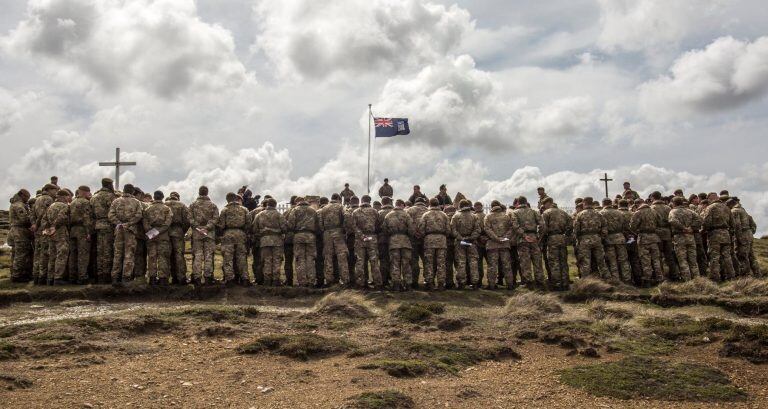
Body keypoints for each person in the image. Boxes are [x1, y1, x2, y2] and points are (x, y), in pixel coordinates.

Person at [108, 184, 144, 286]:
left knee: (117, 253)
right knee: (129, 253)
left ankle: (115, 278)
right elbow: (139, 215)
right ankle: (126, 278)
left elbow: (110, 215)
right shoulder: (136, 202)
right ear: (132, 192)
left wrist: (119, 223)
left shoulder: (116, 201)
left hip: (119, 229)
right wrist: (128, 224)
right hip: (130, 230)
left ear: (123, 190)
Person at [702, 193, 736, 281]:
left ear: (710, 198)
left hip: (714, 234)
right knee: (727, 256)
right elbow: (733, 224)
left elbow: (706, 222)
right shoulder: (727, 208)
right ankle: (731, 276)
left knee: (714, 256)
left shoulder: (710, 208)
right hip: (726, 233)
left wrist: (704, 230)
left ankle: (715, 277)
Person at [573, 197, 609, 280]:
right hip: (597, 239)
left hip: (584, 240)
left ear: (584, 203)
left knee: (586, 262)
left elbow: (576, 230)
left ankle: (586, 282)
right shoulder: (599, 213)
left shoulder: (580, 214)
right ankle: (607, 280)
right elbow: (604, 227)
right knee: (601, 261)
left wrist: (578, 239)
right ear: (592, 203)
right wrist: (601, 237)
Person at [253, 198, 287, 286]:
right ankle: (276, 280)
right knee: (276, 260)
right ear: (275, 205)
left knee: (266, 260)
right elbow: (284, 228)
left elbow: (254, 228)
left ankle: (267, 280)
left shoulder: (259, 215)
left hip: (264, 240)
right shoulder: (279, 215)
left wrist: (261, 235)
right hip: (277, 240)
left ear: (267, 204)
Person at [418, 198, 450, 290]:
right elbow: (448, 230)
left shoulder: (425, 215)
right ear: (438, 204)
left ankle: (430, 283)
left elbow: (421, 229)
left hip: (429, 240)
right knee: (441, 263)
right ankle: (441, 283)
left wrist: (425, 236)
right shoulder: (444, 215)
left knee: (429, 263)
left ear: (430, 204)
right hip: (441, 240)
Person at [218, 192, 249, 286]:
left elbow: (222, 225)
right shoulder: (244, 209)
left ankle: (229, 279)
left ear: (227, 199)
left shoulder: (224, 210)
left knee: (228, 258)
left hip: (228, 234)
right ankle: (245, 279)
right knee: (242, 258)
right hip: (241, 234)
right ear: (236, 198)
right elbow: (248, 224)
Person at [630, 198, 663, 286]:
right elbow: (660, 223)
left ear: (637, 204)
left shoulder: (638, 213)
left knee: (645, 260)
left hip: (643, 238)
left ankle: (647, 280)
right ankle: (660, 278)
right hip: (654, 237)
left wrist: (638, 231)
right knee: (656, 260)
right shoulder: (654, 211)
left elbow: (632, 227)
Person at [189, 186, 219, 285]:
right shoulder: (213, 205)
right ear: (207, 193)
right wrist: (207, 227)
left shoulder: (193, 205)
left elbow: (190, 218)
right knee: (208, 256)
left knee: (197, 256)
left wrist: (198, 227)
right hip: (209, 233)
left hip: (197, 233)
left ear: (199, 192)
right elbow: (215, 219)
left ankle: (197, 278)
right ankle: (208, 278)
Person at [513, 196, 546, 288]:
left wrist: (524, 235)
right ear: (526, 202)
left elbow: (515, 226)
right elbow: (542, 225)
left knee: (525, 261)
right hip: (534, 238)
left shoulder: (515, 213)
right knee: (537, 261)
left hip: (523, 239)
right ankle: (540, 282)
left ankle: (529, 282)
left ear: (518, 203)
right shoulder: (534, 211)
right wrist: (538, 236)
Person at [383, 199, 415, 291]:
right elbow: (411, 229)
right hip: (405, 241)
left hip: (393, 241)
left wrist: (391, 234)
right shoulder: (406, 215)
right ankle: (408, 285)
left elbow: (384, 229)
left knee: (394, 263)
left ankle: (396, 285)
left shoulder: (388, 215)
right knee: (406, 264)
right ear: (401, 205)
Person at [318, 193, 349, 286]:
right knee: (341, 257)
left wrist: (324, 230)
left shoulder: (324, 208)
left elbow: (320, 221)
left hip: (327, 234)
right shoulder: (340, 206)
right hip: (338, 233)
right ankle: (345, 280)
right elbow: (347, 216)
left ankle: (329, 280)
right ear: (339, 199)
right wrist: (345, 228)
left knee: (328, 257)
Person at [541, 198, 572, 290]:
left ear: (548, 203)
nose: (544, 206)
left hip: (552, 238)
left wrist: (541, 239)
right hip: (562, 238)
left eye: (545, 204)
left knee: (554, 262)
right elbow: (571, 224)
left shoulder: (546, 213)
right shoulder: (563, 212)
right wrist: (566, 234)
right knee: (563, 261)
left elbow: (543, 228)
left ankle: (557, 284)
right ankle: (565, 283)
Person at [483, 200, 515, 290]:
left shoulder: (488, 217)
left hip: (493, 244)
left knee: (492, 265)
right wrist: (504, 237)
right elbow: (511, 228)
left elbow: (487, 229)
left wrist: (496, 238)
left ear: (491, 206)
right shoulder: (506, 216)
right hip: (504, 244)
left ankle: (492, 285)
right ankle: (510, 284)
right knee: (507, 265)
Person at [287, 196, 318, 287]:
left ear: (297, 202)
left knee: (300, 259)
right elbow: (317, 224)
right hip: (311, 236)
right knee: (310, 259)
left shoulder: (295, 210)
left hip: (299, 236)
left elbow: (291, 225)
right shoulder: (313, 210)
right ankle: (311, 281)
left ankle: (302, 281)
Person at [143, 191, 173, 285]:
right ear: (162, 197)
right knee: (162, 257)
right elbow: (167, 224)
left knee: (152, 257)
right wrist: (159, 231)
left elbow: (145, 223)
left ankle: (152, 279)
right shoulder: (167, 209)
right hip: (163, 235)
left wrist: (153, 231)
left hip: (151, 235)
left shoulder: (147, 209)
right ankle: (163, 279)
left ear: (154, 197)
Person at [351, 195, 381, 289]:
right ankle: (378, 283)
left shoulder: (355, 212)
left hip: (360, 238)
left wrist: (360, 235)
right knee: (374, 260)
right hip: (371, 237)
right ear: (369, 201)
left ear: (362, 200)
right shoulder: (375, 211)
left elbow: (353, 226)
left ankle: (360, 283)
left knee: (360, 261)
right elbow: (378, 225)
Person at [451, 199, 481, 289]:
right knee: (473, 262)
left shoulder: (456, 216)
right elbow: (478, 230)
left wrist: (461, 238)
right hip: (471, 242)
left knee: (461, 262)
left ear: (460, 206)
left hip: (460, 242)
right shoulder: (474, 216)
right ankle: (475, 282)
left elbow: (453, 230)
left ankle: (461, 283)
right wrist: (471, 238)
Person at [91, 178, 117, 283]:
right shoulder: (110, 197)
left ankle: (99, 274)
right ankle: (106, 275)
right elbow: (113, 211)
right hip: (108, 225)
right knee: (107, 251)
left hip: (98, 225)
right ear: (110, 185)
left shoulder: (94, 197)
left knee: (99, 251)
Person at [669, 196, 701, 281]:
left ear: (674, 203)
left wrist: (683, 228)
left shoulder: (673, 212)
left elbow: (672, 221)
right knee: (693, 260)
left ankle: (687, 280)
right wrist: (691, 228)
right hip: (690, 237)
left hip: (679, 237)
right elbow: (699, 220)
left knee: (683, 260)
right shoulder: (690, 211)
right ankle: (697, 280)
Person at [43, 190, 72, 285]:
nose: (68, 198)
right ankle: (58, 278)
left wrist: (48, 229)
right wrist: (55, 227)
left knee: (52, 255)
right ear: (63, 197)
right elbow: (61, 218)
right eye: (67, 196)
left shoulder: (51, 206)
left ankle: (50, 278)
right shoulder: (64, 206)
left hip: (51, 233)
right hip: (60, 232)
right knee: (62, 254)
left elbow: (44, 220)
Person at [600, 198, 631, 282]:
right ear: (611, 203)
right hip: (620, 238)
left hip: (608, 239)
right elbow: (625, 227)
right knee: (623, 260)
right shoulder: (619, 213)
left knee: (612, 260)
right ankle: (627, 279)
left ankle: (616, 280)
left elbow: (601, 228)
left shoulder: (601, 213)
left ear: (603, 204)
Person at [31, 183, 57, 284]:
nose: (56, 192)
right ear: (49, 190)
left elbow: (32, 214)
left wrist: (34, 224)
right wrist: (37, 224)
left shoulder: (37, 199)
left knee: (37, 253)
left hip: (38, 230)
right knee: (45, 253)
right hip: (45, 229)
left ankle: (36, 276)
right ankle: (43, 277)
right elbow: (43, 214)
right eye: (54, 190)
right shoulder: (48, 199)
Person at [650, 191, 679, 280]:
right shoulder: (668, 208)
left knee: (657, 256)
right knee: (669, 255)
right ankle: (674, 275)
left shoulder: (651, 208)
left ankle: (661, 276)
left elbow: (651, 222)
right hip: (667, 233)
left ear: (652, 198)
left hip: (657, 233)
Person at [68, 186, 93, 284]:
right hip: (82, 229)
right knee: (83, 254)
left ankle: (72, 277)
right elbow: (86, 218)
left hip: (73, 230)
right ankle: (82, 277)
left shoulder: (73, 202)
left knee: (73, 254)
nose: (89, 194)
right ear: (84, 192)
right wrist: (88, 232)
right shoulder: (85, 202)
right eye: (88, 192)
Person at [164, 192, 190, 284]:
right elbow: (187, 220)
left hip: (165, 232)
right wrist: (182, 231)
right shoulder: (182, 205)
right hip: (178, 231)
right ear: (178, 198)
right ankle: (181, 278)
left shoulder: (164, 204)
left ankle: (167, 278)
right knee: (179, 255)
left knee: (167, 255)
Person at [8, 189, 33, 283]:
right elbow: (24, 219)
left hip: (14, 231)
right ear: (22, 195)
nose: (27, 199)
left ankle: (14, 273)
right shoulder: (19, 205)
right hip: (20, 232)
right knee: (21, 254)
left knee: (15, 254)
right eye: (27, 197)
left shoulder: (13, 204)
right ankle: (17, 276)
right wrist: (32, 221)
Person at [406, 196, 428, 288]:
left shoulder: (410, 210)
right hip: (425, 239)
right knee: (427, 260)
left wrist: (414, 233)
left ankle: (414, 281)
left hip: (413, 239)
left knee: (413, 260)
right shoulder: (428, 210)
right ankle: (428, 281)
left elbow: (407, 223)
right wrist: (422, 234)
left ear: (415, 202)